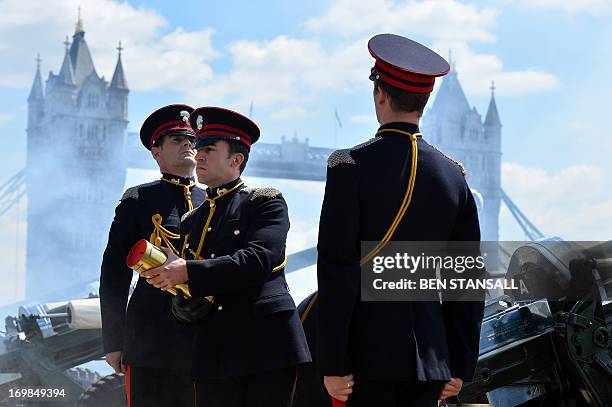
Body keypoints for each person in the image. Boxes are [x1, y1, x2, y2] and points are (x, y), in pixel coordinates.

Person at [315, 34, 485, 407]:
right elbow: (465, 278)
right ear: (424, 102)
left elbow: (337, 268)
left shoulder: (348, 165)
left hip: (364, 358)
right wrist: (458, 364)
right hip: (431, 361)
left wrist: (332, 361)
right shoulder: (454, 175)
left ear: (380, 94)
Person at [141, 106, 311, 407]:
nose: (198, 155)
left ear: (236, 160)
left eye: (208, 149)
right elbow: (195, 290)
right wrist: (180, 303)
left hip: (265, 348)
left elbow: (259, 259)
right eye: (197, 147)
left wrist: (188, 272)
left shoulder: (265, 202)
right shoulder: (192, 220)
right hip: (214, 352)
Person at [99, 104, 205, 406]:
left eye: (192, 140)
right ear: (156, 153)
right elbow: (114, 274)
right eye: (176, 140)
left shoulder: (216, 200)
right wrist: (115, 342)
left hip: (205, 338)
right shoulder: (139, 199)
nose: (188, 144)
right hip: (151, 338)